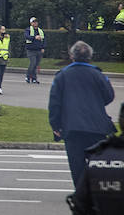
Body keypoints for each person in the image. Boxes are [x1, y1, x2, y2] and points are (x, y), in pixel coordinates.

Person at [49, 40, 116, 186]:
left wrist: (55, 125)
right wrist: (95, 104)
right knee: (98, 163)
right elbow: (109, 95)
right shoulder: (98, 74)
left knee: (77, 164)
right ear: (90, 57)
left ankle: (81, 193)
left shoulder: (62, 76)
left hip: (72, 127)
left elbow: (55, 103)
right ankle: (97, 191)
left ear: (72, 56)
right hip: (97, 126)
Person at [23, 16, 46, 84]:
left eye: (36, 22)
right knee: (32, 63)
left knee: (36, 64)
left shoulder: (40, 31)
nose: (35, 23)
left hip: (38, 50)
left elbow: (44, 40)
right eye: (34, 22)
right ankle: (28, 76)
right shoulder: (28, 30)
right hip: (31, 50)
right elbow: (27, 36)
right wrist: (34, 37)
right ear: (31, 23)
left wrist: (43, 47)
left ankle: (34, 78)